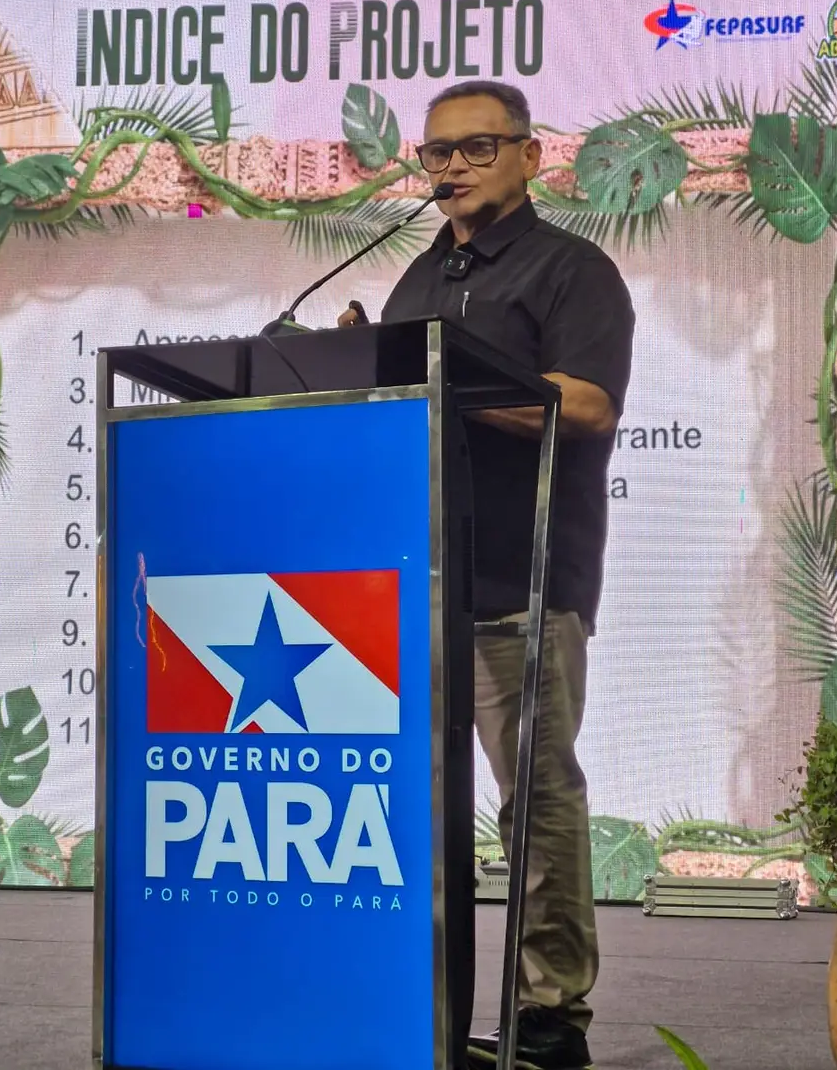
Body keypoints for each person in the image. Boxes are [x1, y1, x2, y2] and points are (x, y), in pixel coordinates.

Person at [339, 80, 634, 1070]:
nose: (451, 168)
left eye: (474, 148)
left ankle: (548, 1017)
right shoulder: (416, 282)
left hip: (525, 579)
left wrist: (451, 386)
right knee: (414, 805)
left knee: (535, 800)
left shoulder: (568, 271)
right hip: (418, 587)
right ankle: (424, 1007)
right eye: (436, 154)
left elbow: (586, 406)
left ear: (527, 156)